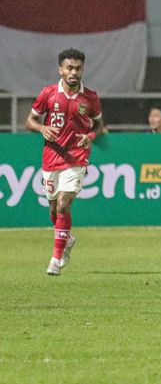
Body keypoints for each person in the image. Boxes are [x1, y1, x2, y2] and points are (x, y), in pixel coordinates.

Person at [25, 48, 104, 276]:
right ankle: (66, 239)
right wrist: (42, 128)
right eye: (69, 68)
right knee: (53, 207)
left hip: (77, 157)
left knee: (63, 203)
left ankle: (55, 259)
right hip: (51, 157)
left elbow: (98, 124)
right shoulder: (48, 93)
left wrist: (89, 137)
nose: (73, 72)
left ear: (82, 70)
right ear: (61, 70)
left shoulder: (90, 97)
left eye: (78, 68)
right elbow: (29, 121)